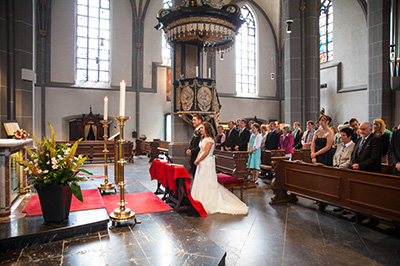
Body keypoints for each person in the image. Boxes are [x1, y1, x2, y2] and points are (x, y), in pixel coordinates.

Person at [191, 122, 248, 215]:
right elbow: (200, 151)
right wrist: (197, 160)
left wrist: (199, 160)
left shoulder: (210, 140)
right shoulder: (203, 139)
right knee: (200, 180)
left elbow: (206, 152)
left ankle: (208, 200)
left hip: (207, 162)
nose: (200, 130)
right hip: (201, 162)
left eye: (202, 128)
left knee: (207, 181)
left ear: (206, 129)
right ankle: (199, 198)